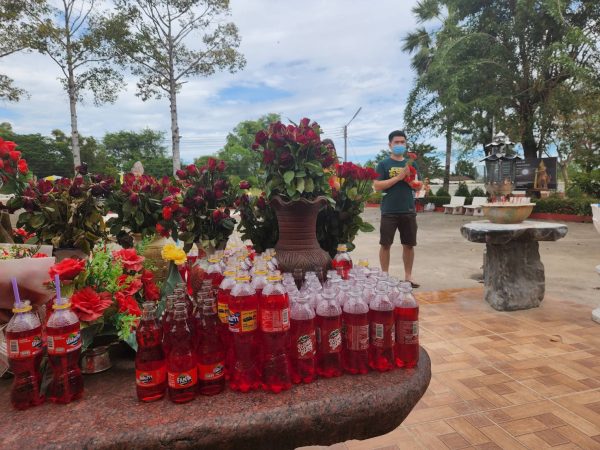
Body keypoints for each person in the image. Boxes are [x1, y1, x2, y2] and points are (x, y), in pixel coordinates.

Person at [373, 130, 419, 288]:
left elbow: (417, 186)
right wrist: (399, 177)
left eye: (402, 142)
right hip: (389, 211)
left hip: (408, 209)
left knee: (409, 245)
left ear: (406, 144)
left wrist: (411, 182)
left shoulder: (411, 164)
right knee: (385, 245)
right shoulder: (383, 164)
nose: (400, 145)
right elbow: (377, 185)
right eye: (396, 142)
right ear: (390, 145)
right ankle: (384, 276)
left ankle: (408, 276)